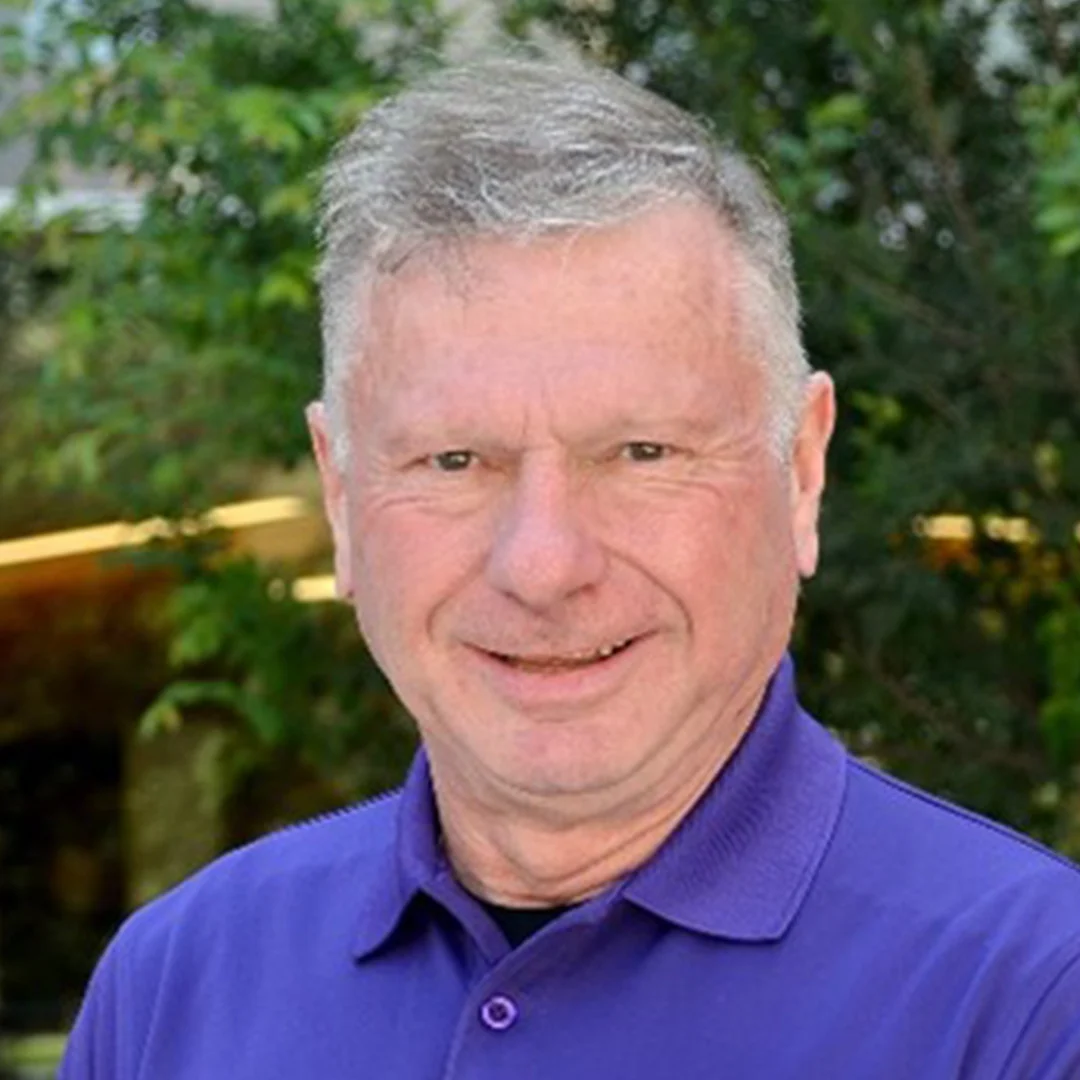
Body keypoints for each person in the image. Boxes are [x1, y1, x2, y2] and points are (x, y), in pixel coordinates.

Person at [60, 54, 1080, 1080]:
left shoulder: (1031, 1001)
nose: (543, 564)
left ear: (802, 471)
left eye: (642, 453)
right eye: (454, 460)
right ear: (340, 493)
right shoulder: (173, 991)